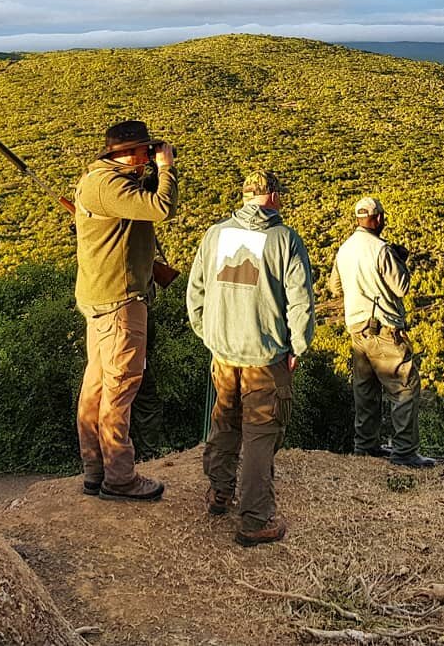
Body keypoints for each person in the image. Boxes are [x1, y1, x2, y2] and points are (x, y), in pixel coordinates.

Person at [187, 170, 315, 546]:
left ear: (244, 197)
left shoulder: (215, 234)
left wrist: (208, 333)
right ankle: (254, 517)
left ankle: (220, 493)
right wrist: (297, 347)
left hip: (223, 350)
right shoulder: (285, 239)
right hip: (265, 355)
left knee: (224, 421)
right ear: (273, 196)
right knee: (260, 434)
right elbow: (301, 303)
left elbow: (196, 291)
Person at [74, 119, 178, 501]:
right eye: (145, 151)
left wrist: (150, 171)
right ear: (130, 153)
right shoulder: (112, 185)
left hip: (100, 298)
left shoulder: (100, 179)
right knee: (120, 389)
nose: (149, 157)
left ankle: (94, 470)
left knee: (97, 387)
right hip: (120, 301)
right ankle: (119, 477)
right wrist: (166, 169)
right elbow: (162, 207)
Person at [329, 196, 437, 468]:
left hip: (356, 328)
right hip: (383, 327)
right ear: (377, 219)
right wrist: (400, 261)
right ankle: (404, 451)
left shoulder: (344, 249)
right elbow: (401, 287)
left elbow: (335, 288)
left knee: (365, 390)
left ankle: (365, 447)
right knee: (404, 386)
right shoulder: (381, 249)